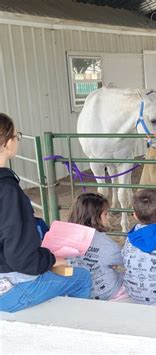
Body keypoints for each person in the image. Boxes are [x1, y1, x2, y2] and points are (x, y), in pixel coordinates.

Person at [0, 113, 91, 313]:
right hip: (10, 285)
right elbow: (20, 258)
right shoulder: (7, 190)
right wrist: (50, 259)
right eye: (17, 137)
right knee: (81, 277)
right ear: (6, 143)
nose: (17, 141)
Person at [67, 193, 125, 301]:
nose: (108, 218)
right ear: (95, 217)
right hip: (106, 292)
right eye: (105, 214)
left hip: (77, 291)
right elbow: (123, 259)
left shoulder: (66, 236)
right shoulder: (103, 242)